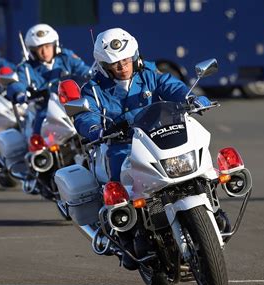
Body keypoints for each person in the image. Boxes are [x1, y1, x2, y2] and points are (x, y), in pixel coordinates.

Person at [74, 28, 224, 270]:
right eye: (114, 63)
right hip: (121, 145)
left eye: (125, 60)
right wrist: (93, 128)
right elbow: (84, 113)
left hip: (156, 137)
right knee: (120, 185)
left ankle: (212, 209)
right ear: (103, 64)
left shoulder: (150, 74)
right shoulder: (93, 88)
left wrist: (192, 98)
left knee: (200, 159)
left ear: (134, 56)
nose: (122, 66)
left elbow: (174, 87)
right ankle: (128, 235)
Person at [7, 23, 91, 134]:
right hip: (44, 112)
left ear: (54, 45)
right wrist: (19, 93)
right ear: (32, 51)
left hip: (72, 107)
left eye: (47, 46)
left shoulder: (66, 58)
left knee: (90, 126)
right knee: (36, 141)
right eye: (39, 48)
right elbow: (19, 84)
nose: (44, 52)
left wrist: (94, 74)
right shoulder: (26, 68)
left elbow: (85, 71)